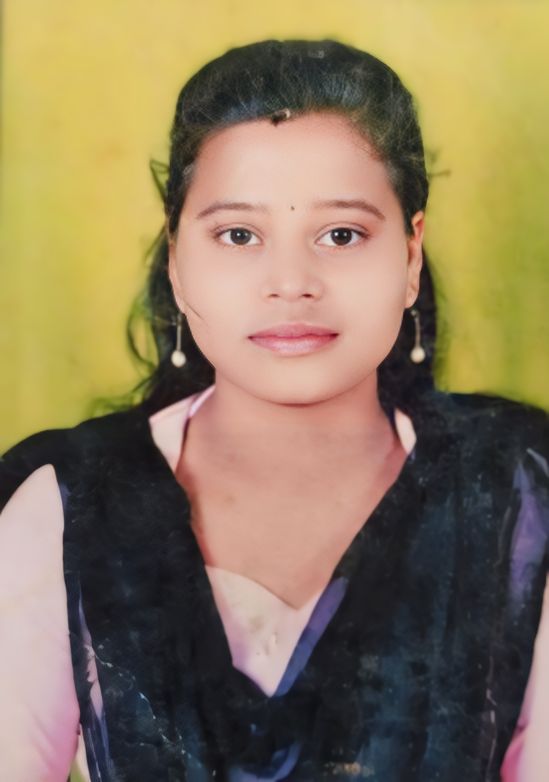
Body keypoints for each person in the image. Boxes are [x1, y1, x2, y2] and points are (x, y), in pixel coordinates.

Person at [0, 37, 548, 782]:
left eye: (341, 234)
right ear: (176, 259)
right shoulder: (62, 508)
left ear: (410, 255)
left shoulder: (518, 496)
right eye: (238, 235)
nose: (290, 282)